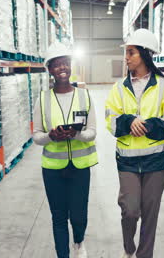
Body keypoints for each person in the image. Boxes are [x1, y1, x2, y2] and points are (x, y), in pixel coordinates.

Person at [105, 29, 164, 258]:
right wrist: (129, 122)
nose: (126, 57)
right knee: (130, 210)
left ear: (145, 55)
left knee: (151, 213)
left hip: (156, 161)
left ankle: (144, 255)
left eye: (131, 53)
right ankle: (128, 248)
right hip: (128, 161)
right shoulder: (118, 88)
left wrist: (147, 125)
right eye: (127, 53)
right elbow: (110, 120)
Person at [33, 42, 98, 258]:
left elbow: (92, 132)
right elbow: (36, 136)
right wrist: (51, 136)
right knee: (58, 216)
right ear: (50, 69)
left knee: (79, 216)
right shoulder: (42, 99)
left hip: (80, 166)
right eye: (57, 65)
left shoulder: (84, 96)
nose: (63, 68)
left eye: (66, 63)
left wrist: (75, 134)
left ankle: (78, 241)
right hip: (53, 167)